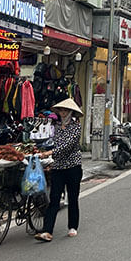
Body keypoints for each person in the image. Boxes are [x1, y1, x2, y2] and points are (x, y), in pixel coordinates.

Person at [35, 97, 83, 242]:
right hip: (58, 167)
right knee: (54, 199)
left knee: (73, 198)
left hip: (73, 167)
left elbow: (67, 146)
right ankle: (47, 230)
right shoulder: (55, 127)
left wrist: (50, 153)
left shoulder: (76, 127)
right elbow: (50, 143)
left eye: (66, 110)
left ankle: (73, 226)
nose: (63, 113)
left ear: (71, 112)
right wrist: (40, 149)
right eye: (61, 110)